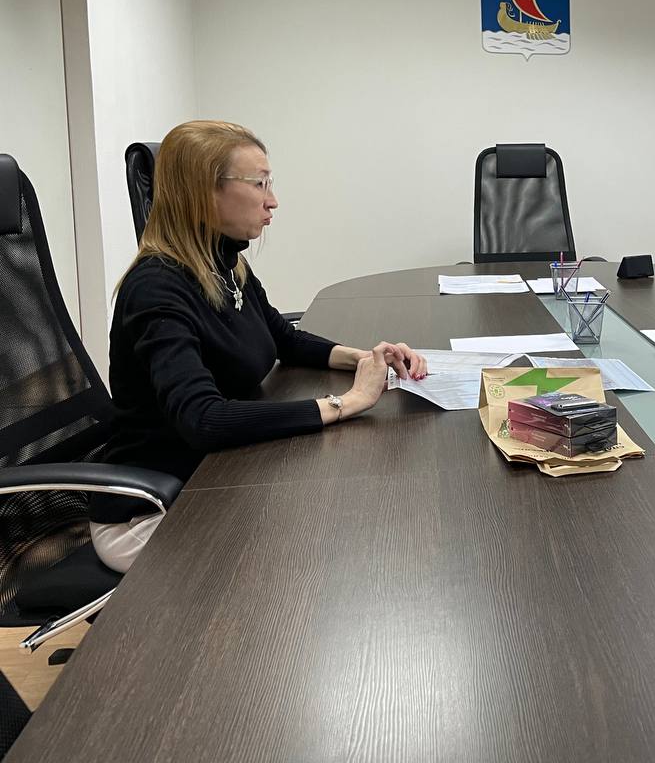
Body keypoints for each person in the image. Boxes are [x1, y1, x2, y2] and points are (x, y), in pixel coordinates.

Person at [91, 120, 427, 573]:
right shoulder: (156, 289)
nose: (273, 200)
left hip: (214, 474)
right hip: (153, 508)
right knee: (320, 545)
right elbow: (203, 419)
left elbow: (284, 338)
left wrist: (367, 358)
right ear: (203, 193)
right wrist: (346, 403)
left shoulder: (226, 263)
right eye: (260, 184)